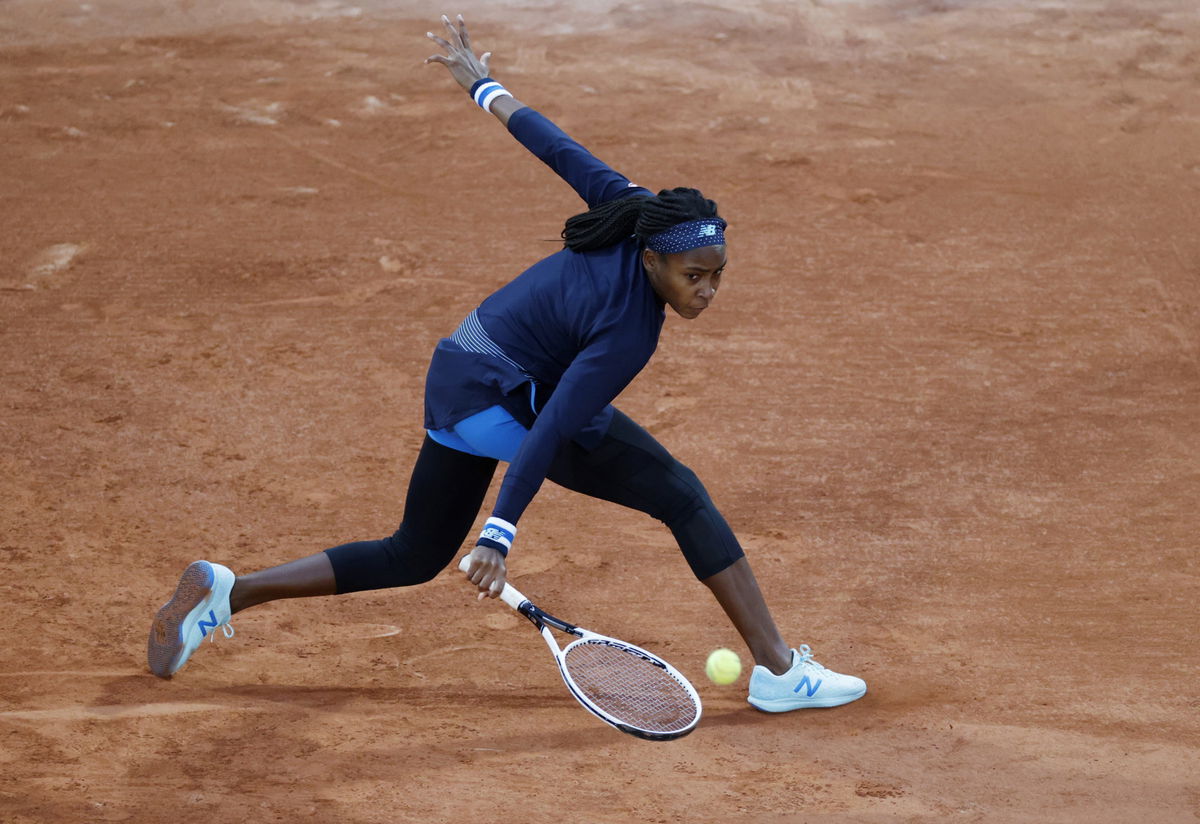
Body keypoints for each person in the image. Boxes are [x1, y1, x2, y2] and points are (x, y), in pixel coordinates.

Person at [146, 14, 866, 713]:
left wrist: (483, 87)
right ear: (654, 259)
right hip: (500, 397)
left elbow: (555, 146)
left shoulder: (632, 208)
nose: (706, 292)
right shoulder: (627, 333)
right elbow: (553, 426)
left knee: (415, 553)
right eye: (693, 277)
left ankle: (230, 591)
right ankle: (778, 671)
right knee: (681, 496)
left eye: (717, 276)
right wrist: (500, 530)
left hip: (459, 369)